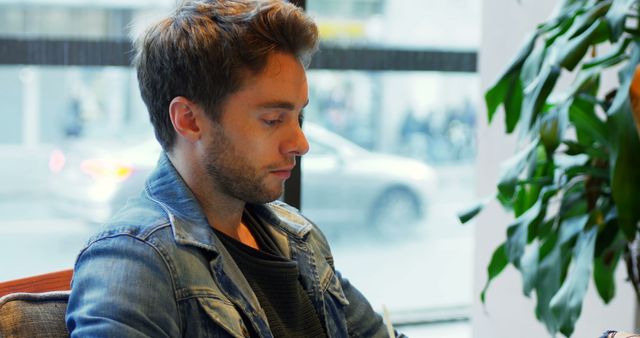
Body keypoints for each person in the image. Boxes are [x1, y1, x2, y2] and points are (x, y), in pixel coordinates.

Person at [65, 0, 404, 337]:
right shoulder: (134, 261)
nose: (301, 144)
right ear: (189, 120)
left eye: (299, 118)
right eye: (272, 120)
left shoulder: (298, 235)